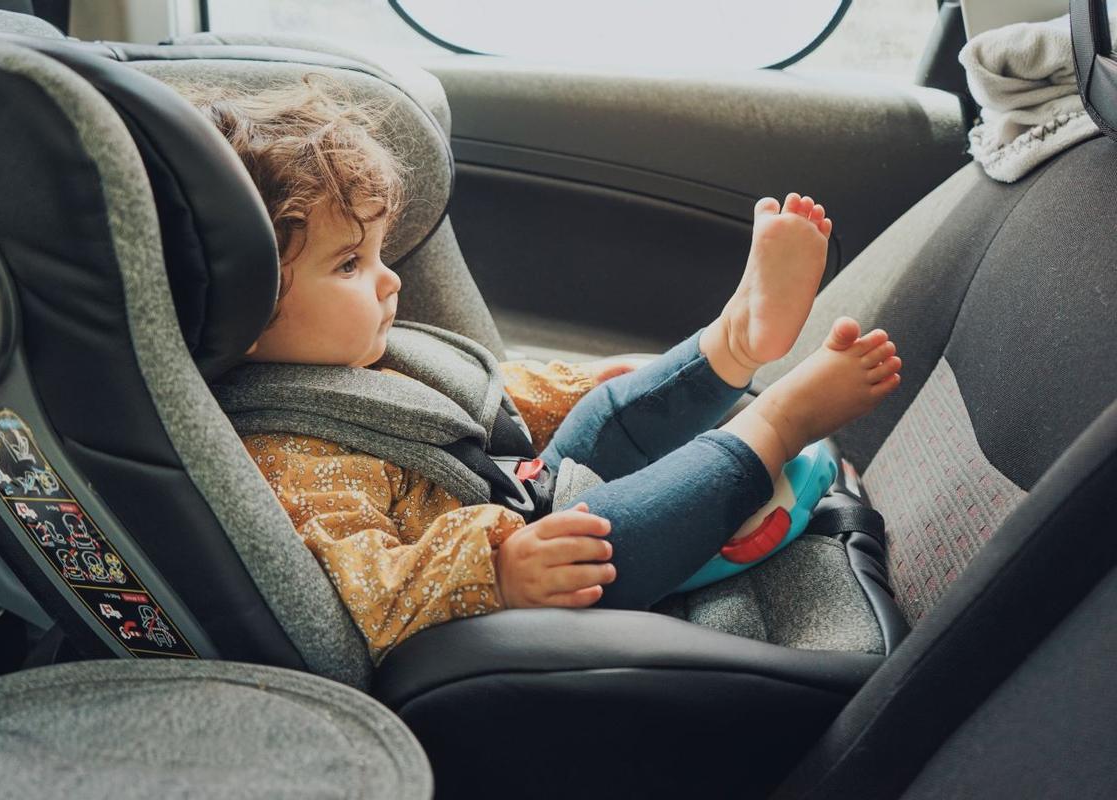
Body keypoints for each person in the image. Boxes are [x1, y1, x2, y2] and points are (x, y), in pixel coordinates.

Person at [189, 78, 902, 663]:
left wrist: (588, 388)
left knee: (599, 413)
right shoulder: (283, 462)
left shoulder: (364, 357)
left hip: (524, 492)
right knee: (602, 535)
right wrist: (495, 570)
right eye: (349, 265)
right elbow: (369, 593)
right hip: (530, 579)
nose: (388, 282)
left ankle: (731, 344)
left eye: (379, 255)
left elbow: (487, 402)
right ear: (244, 311)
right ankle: (779, 422)